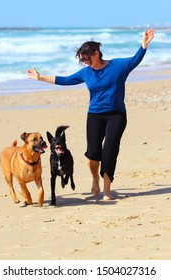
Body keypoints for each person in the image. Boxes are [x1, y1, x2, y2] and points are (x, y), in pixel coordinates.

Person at [26, 28, 154, 201]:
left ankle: (107, 190)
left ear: (96, 53)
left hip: (116, 116)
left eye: (87, 58)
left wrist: (143, 46)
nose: (86, 63)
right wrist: (40, 78)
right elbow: (65, 80)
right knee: (93, 153)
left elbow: (134, 60)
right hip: (94, 116)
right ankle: (95, 179)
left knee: (109, 150)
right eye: (83, 60)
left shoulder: (118, 66)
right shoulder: (86, 72)